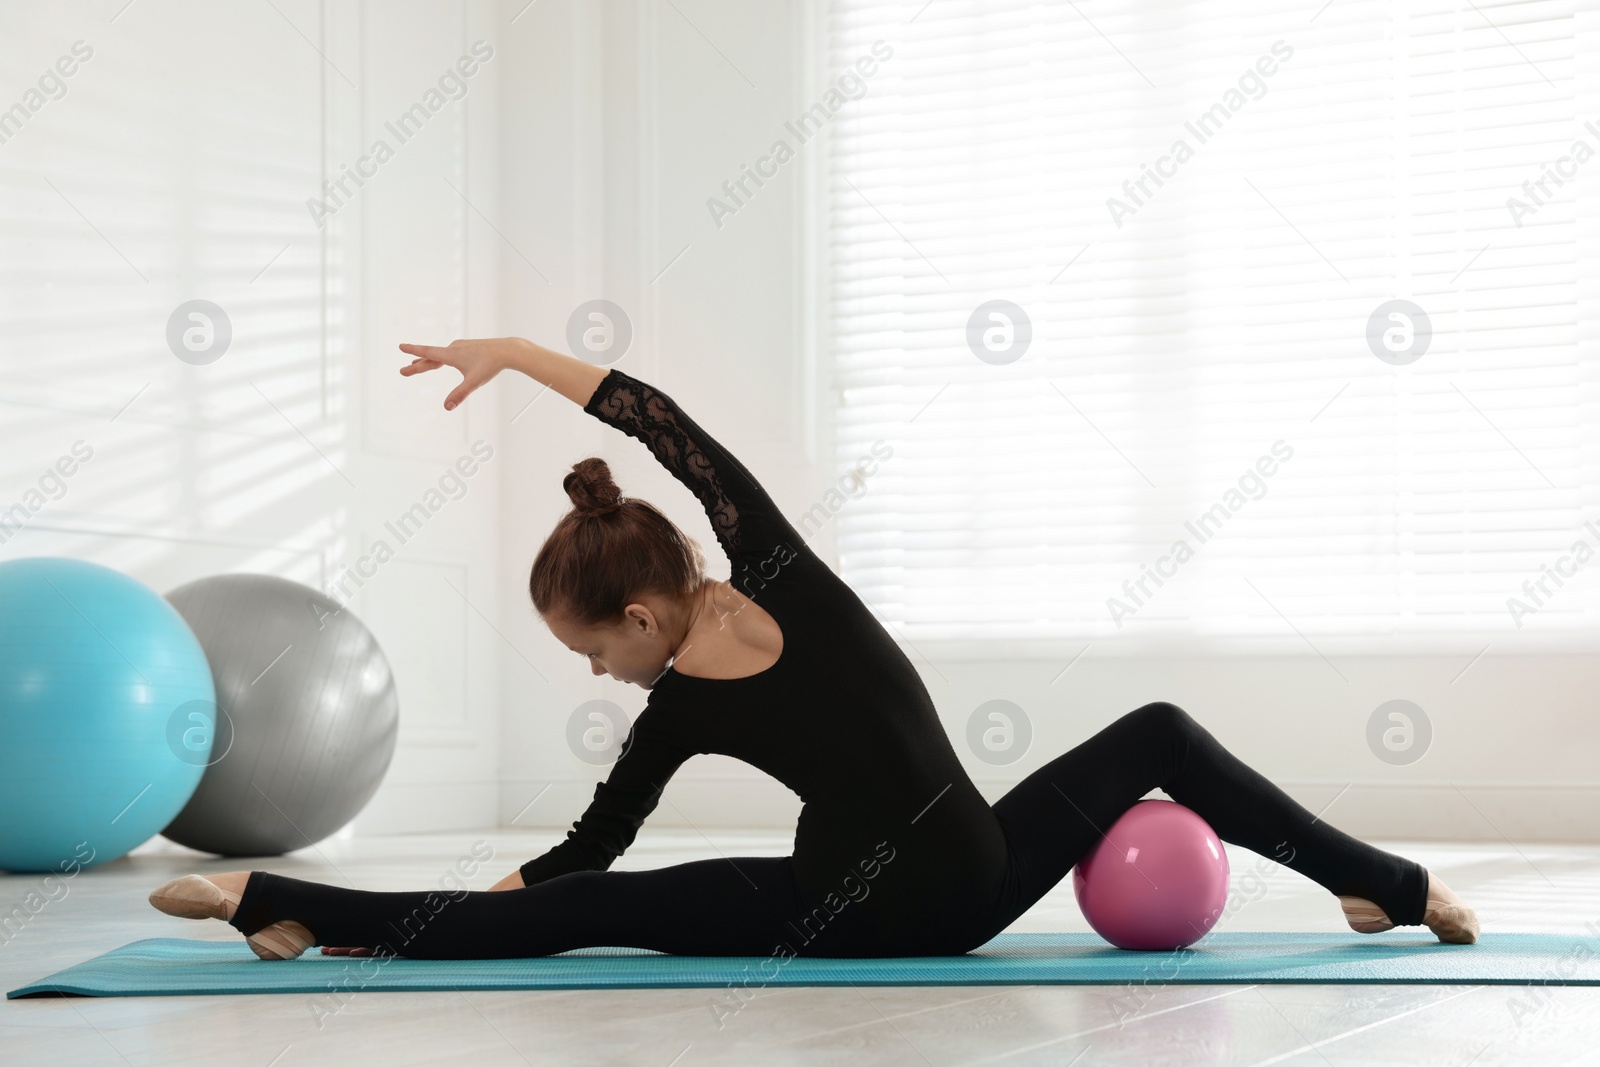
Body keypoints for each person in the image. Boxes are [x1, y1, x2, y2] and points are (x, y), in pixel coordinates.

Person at [148, 337, 1479, 961]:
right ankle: (1397, 891)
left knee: (593, 913)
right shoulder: (779, 573)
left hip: (847, 911)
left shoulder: (680, 694)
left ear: (642, 619)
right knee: (1163, 736)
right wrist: (515, 355)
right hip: (976, 875)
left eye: (588, 654)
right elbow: (665, 425)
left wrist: (511, 896)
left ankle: (287, 907)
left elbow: (587, 861)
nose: (598, 678)